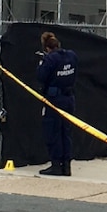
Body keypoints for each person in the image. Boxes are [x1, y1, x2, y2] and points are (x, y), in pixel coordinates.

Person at [36, 32, 77, 176]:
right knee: (66, 132)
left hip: (54, 100)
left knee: (53, 132)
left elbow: (41, 77)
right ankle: (66, 166)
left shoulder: (50, 60)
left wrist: (42, 62)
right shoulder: (71, 55)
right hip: (69, 98)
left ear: (47, 48)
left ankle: (56, 165)